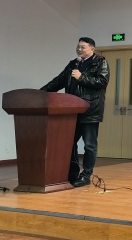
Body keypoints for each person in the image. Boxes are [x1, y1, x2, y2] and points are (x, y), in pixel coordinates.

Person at [41, 37, 110, 187]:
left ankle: (86, 175)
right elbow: (58, 81)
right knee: (70, 143)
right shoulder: (73, 64)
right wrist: (40, 93)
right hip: (72, 111)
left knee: (89, 145)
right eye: (78, 47)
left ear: (92, 49)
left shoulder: (100, 62)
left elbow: (102, 82)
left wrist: (81, 77)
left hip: (90, 111)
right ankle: (72, 173)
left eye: (83, 47)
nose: (79, 49)